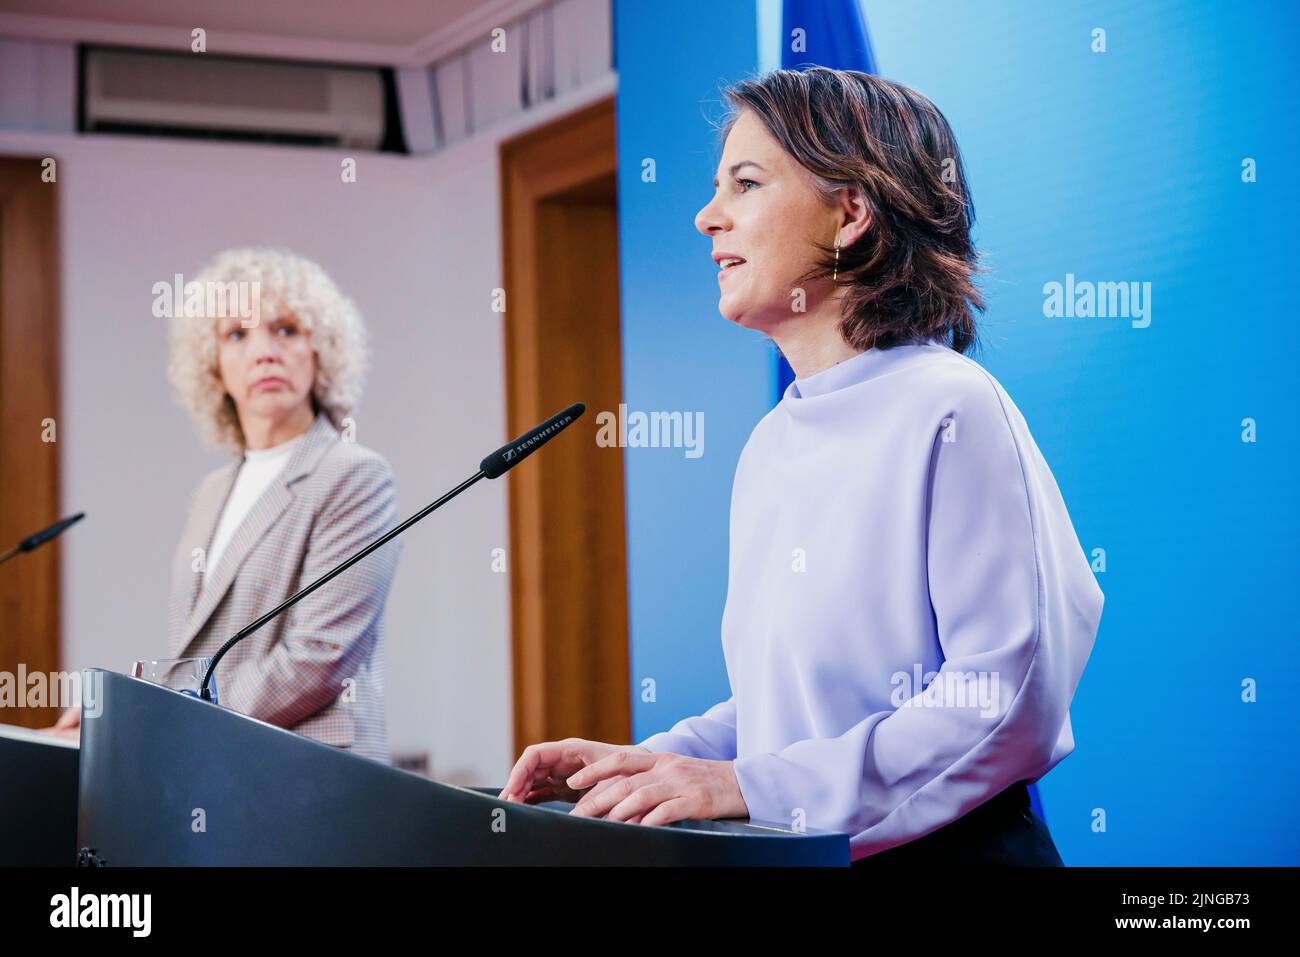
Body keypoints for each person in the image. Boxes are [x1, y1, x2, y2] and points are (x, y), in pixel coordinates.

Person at [499, 68, 1104, 865]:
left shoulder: (952, 407)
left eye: (745, 184)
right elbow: (792, 710)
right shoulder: (771, 442)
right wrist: (657, 761)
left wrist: (749, 788)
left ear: (851, 211)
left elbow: (1004, 701)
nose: (706, 216)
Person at [50, 248, 399, 764]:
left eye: (286, 329)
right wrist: (114, 710)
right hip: (213, 772)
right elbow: (198, 657)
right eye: (237, 334)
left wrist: (148, 721)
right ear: (212, 366)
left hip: (315, 778)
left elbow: (317, 660)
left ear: (321, 349)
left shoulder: (355, 474)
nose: (264, 351)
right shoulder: (212, 491)